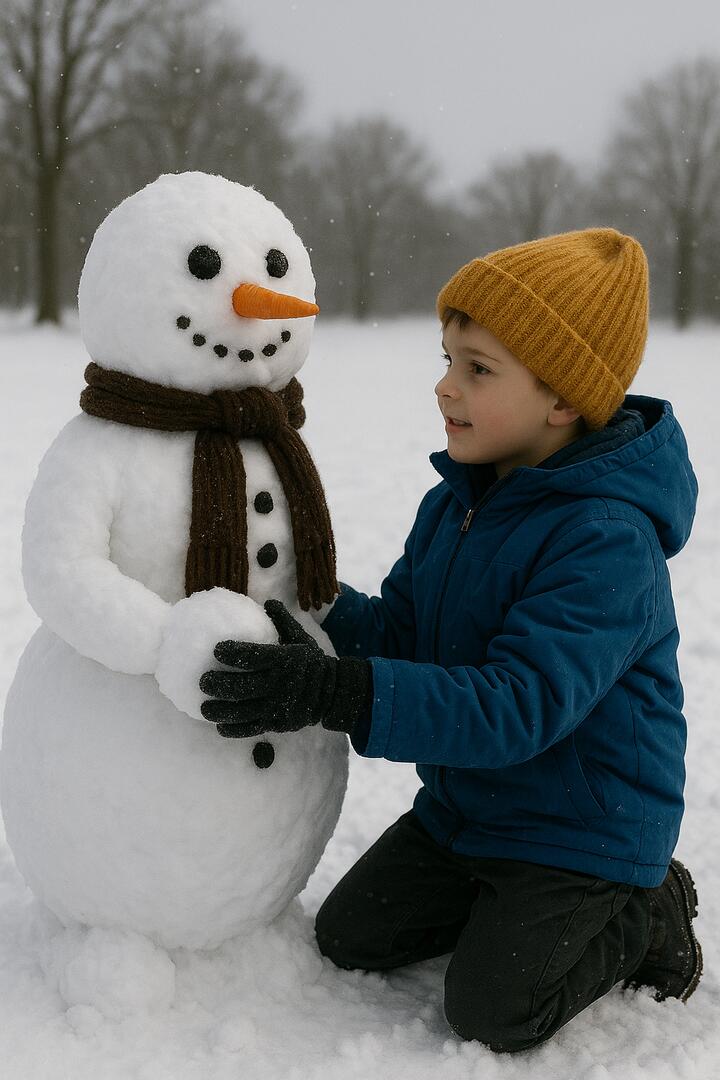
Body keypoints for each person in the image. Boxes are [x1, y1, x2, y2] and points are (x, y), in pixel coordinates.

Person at [199, 228, 703, 1053]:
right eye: (447, 359)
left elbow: (518, 706)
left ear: (563, 399)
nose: (444, 387)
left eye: (477, 369)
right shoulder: (459, 502)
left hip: (584, 830)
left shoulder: (608, 541)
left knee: (494, 1011)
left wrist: (336, 693)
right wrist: (307, 598)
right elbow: (404, 632)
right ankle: (498, 901)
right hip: (472, 809)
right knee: (351, 936)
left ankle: (647, 913)